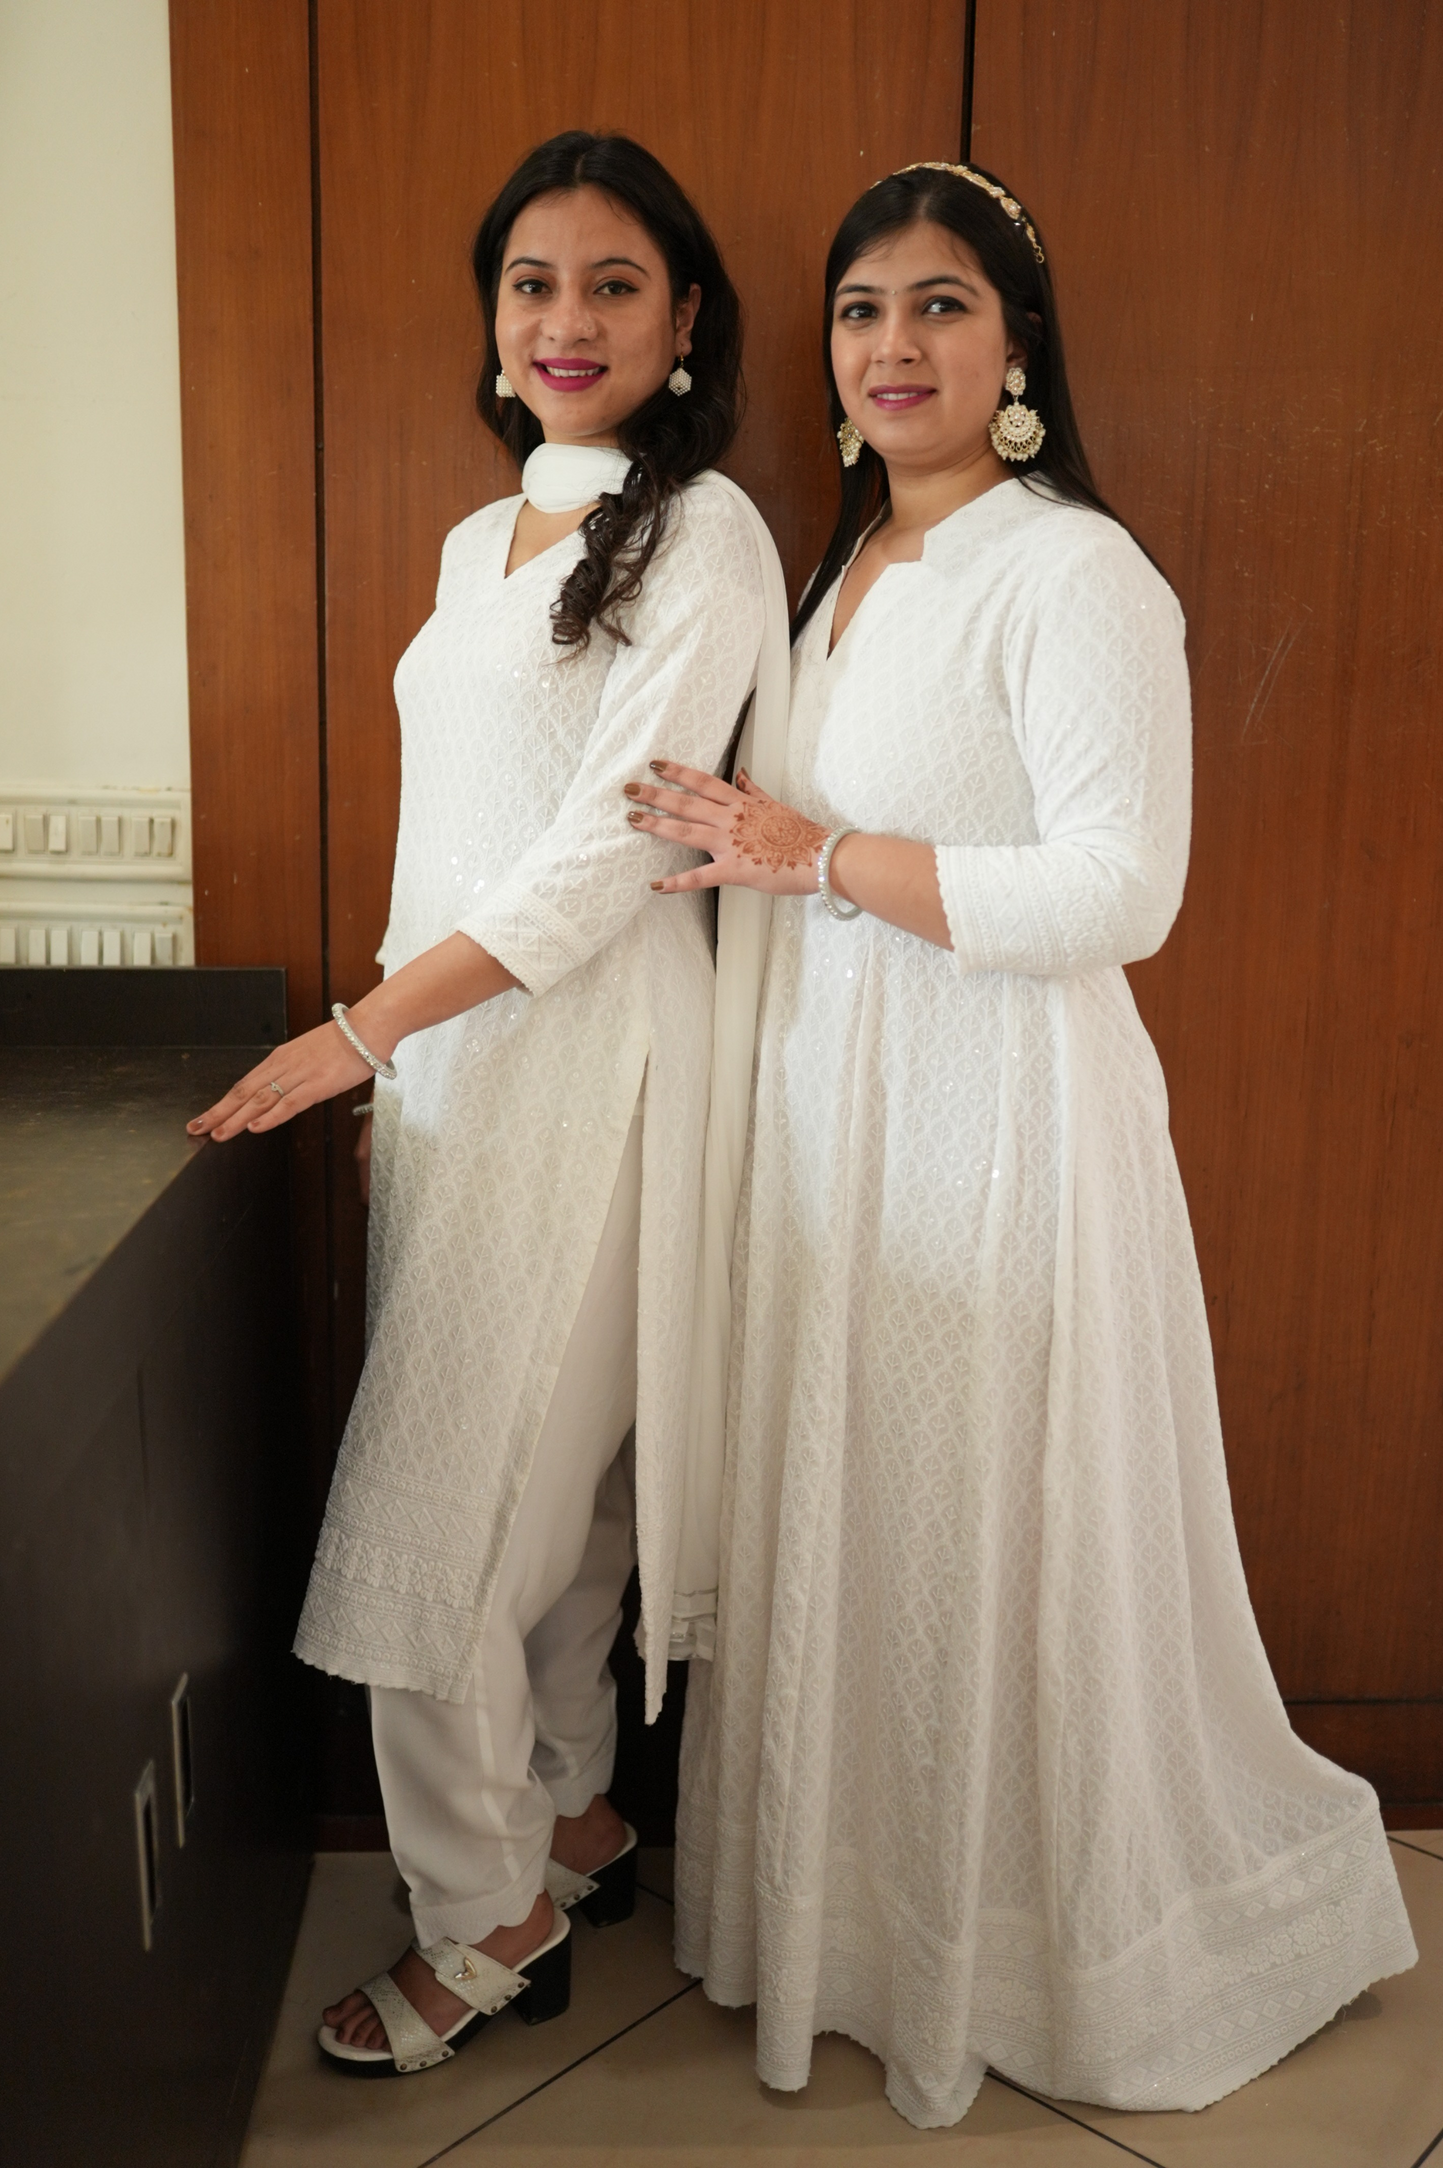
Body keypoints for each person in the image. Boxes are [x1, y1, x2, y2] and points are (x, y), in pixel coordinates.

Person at [623, 161, 1416, 2129]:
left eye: (941, 305)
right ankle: (855, 1931)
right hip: (835, 1113)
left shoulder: (1073, 574)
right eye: (860, 310)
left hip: (1001, 1126)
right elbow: (788, 853)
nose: (892, 346)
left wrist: (813, 854)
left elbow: (1118, 889)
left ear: (1019, 345)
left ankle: (1046, 1946)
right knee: (866, 1528)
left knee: (990, 1539)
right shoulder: (839, 576)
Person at [189, 130, 787, 2079]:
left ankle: (486, 1915)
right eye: (533, 281)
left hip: (599, 1069)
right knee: (541, 1496)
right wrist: (406, 1054)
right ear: (494, 315)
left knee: (441, 1512)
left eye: (613, 283)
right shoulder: (476, 544)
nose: (566, 320)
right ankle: (571, 1815)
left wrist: (361, 1030)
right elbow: (442, 835)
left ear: (685, 321)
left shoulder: (707, 536)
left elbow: (613, 852)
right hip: (459, 1061)